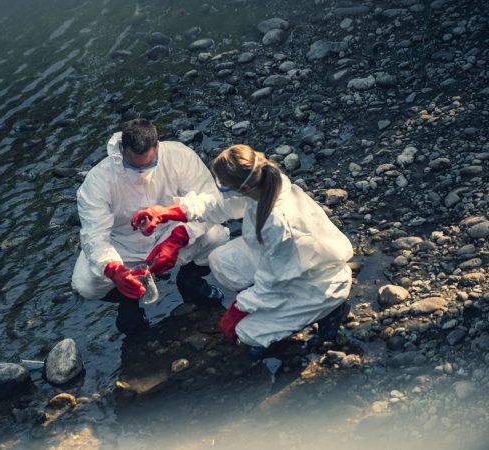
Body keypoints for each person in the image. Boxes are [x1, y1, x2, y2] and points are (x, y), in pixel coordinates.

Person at [132, 144, 354, 351]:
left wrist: (239, 310)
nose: (221, 189)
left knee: (247, 333)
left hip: (317, 285)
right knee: (221, 260)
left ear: (244, 187)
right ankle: (270, 312)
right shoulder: (264, 185)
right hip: (294, 266)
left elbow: (274, 281)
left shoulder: (277, 223)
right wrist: (166, 212)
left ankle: (329, 313)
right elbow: (219, 204)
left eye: (223, 185)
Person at [71, 119, 229, 335]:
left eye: (149, 165)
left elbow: (209, 201)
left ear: (158, 146)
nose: (141, 172)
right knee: (84, 284)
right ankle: (129, 298)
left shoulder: (180, 156)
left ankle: (190, 280)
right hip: (123, 246)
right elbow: (94, 236)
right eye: (134, 166)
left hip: (170, 230)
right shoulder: (97, 181)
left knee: (218, 237)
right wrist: (115, 271)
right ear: (122, 150)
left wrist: (178, 238)